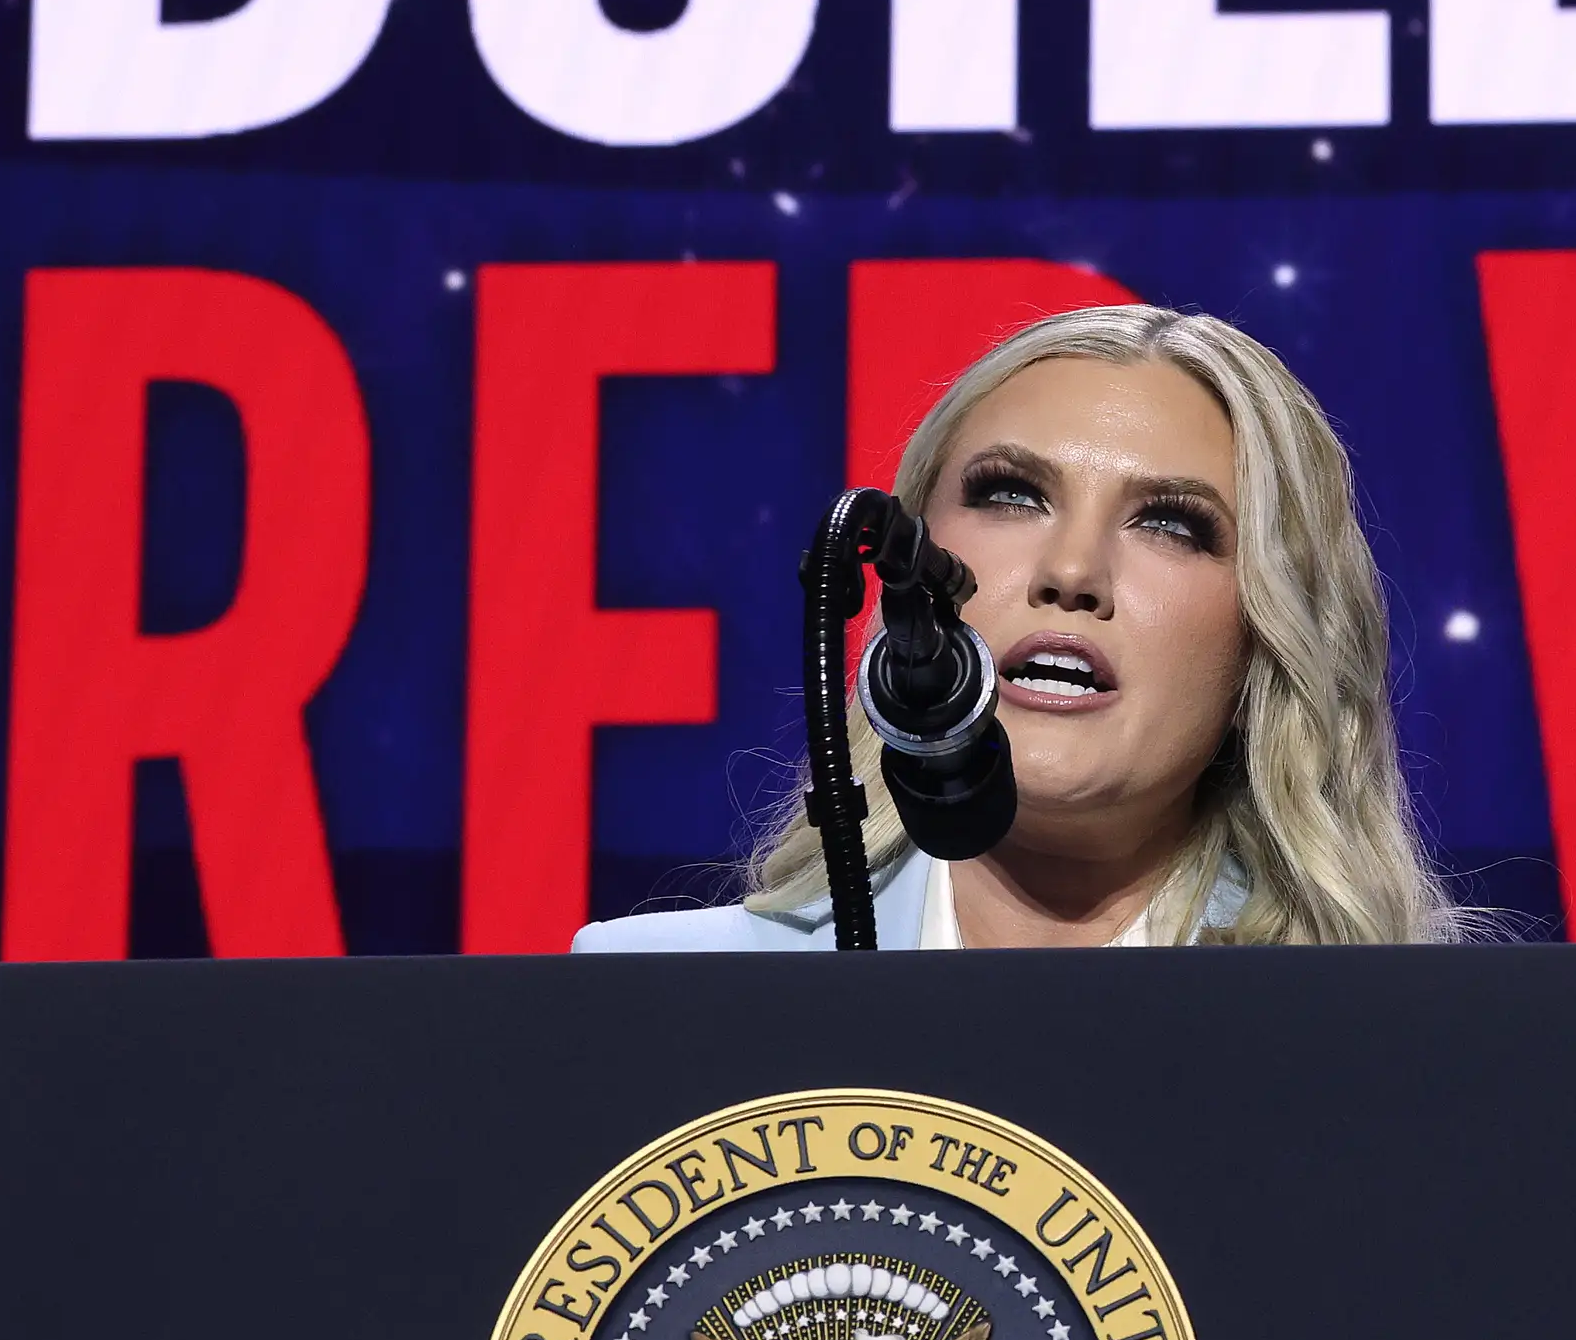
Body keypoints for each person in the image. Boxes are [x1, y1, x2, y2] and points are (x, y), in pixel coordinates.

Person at [574, 304, 1457, 951]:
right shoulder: (656, 994)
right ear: (910, 571)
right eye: (1011, 495)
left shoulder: (1402, 1042)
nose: (1071, 572)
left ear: (1268, 636)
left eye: (1172, 525)